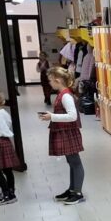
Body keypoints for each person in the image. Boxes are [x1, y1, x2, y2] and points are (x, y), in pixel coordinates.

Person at [41, 67, 86, 205]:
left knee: (75, 162)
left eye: (50, 80)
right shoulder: (62, 94)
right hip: (65, 131)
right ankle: (72, 189)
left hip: (68, 132)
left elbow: (72, 116)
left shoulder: (66, 96)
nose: (49, 83)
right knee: (72, 162)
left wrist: (52, 116)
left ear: (58, 80)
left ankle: (77, 193)